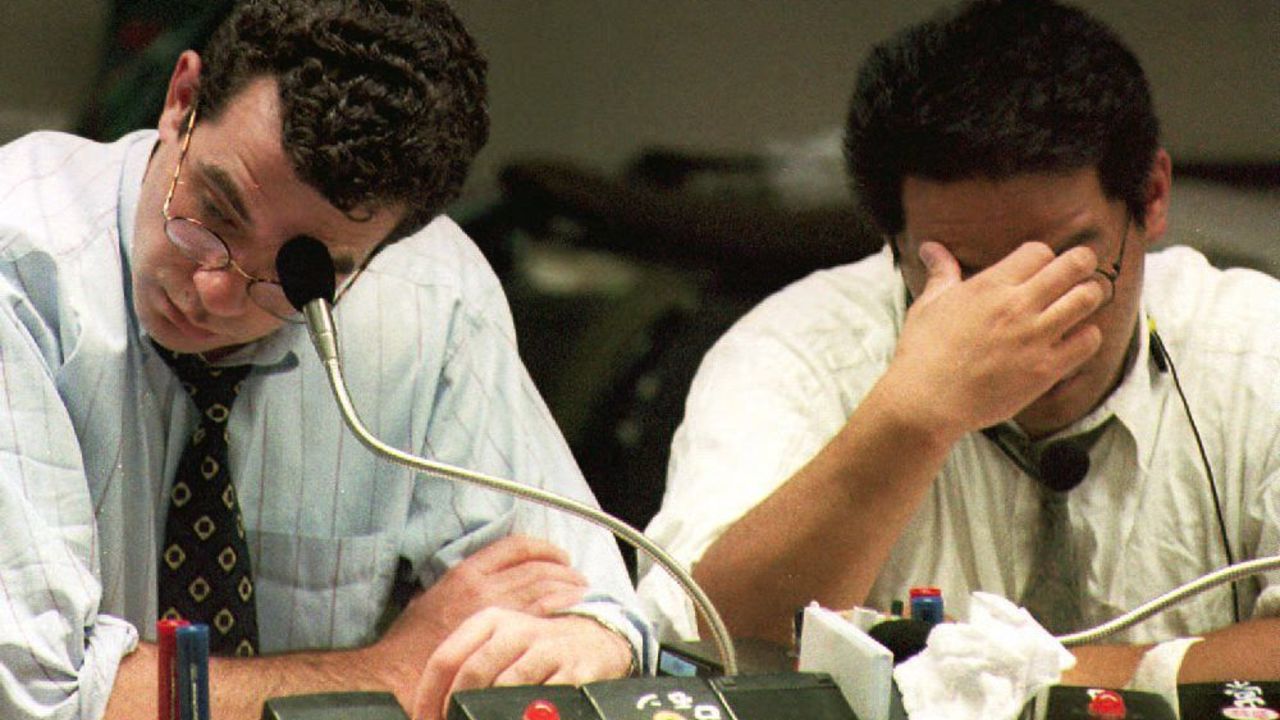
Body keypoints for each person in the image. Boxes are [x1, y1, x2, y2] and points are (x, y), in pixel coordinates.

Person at [0, 2, 652, 719]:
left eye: (298, 272)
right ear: (181, 101)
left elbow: (592, 606)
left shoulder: (428, 293)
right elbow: (43, 700)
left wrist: (590, 639)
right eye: (214, 212)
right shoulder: (20, 265)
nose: (217, 291)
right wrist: (393, 670)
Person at [638, 0, 1279, 702]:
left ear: (1152, 199)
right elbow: (716, 645)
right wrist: (913, 418)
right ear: (892, 242)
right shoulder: (790, 352)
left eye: (1067, 261)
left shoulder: (1257, 346)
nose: (1017, 314)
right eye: (966, 274)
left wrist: (1037, 685)